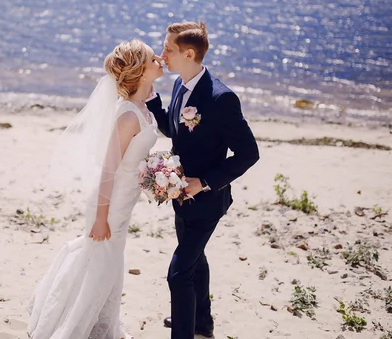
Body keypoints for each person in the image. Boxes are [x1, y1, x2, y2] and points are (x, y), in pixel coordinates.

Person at [27, 39, 164, 339]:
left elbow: (133, 157)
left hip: (124, 202)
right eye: (154, 59)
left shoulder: (143, 107)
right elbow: (108, 170)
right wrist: (101, 218)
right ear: (141, 71)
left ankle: (103, 325)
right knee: (100, 266)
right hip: (110, 203)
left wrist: (156, 173)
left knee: (110, 266)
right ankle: (72, 330)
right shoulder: (128, 115)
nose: (161, 61)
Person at [146, 21, 260, 339]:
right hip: (180, 197)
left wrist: (203, 183)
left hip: (207, 201)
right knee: (195, 260)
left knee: (178, 273)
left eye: (168, 49)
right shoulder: (181, 85)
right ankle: (201, 323)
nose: (162, 54)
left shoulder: (221, 98)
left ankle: (184, 332)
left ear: (189, 52)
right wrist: (152, 99)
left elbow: (248, 154)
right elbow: (174, 131)